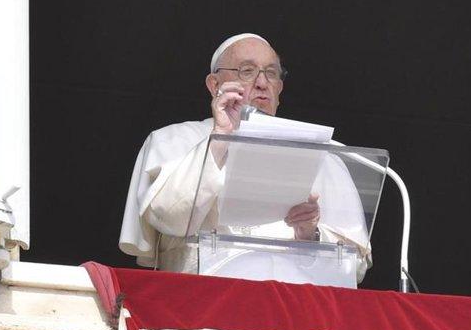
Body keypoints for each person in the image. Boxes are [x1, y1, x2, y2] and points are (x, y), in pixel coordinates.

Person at [119, 33, 371, 284]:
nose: (262, 83)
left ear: (279, 89)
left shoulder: (325, 157)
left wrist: (310, 235)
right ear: (214, 85)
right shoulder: (172, 140)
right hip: (204, 300)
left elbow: (354, 267)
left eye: (271, 73)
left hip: (294, 305)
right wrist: (220, 139)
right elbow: (169, 217)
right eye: (247, 71)